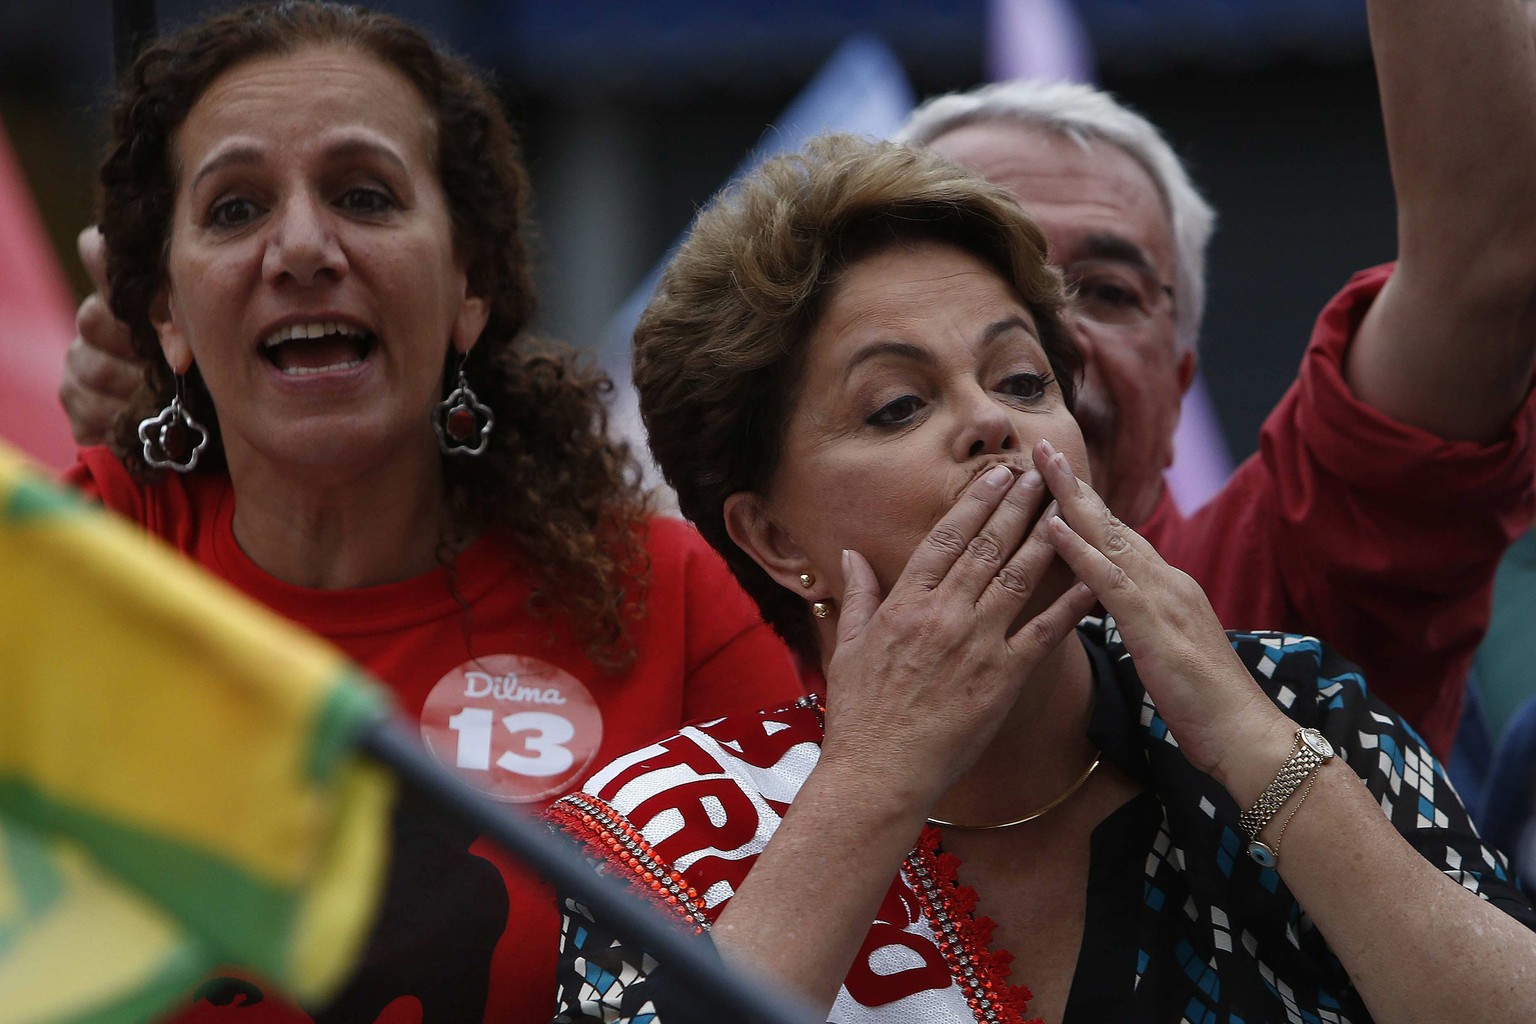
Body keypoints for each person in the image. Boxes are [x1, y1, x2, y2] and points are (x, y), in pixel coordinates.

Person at [549, 133, 1536, 1024]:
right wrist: (874, 780)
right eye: (896, 406)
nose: (992, 422)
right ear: (770, 536)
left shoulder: (1293, 700)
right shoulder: (668, 821)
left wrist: (1250, 744)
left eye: (1022, 381)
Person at [63, 4, 801, 1023]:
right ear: (166, 314)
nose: (303, 248)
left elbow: (811, 961)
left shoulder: (662, 599)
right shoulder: (73, 575)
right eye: (234, 210)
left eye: (365, 196)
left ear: (469, 287)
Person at [889, 0, 1536, 759]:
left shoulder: (1276, 599)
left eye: (1108, 291)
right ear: (764, 533)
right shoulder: (736, 631)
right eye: (987, 285)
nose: (1051, 343)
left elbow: (1487, 257)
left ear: (1178, 381)